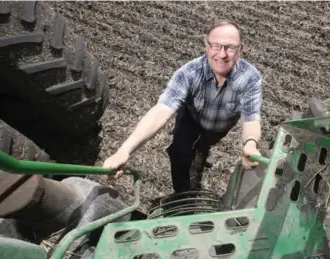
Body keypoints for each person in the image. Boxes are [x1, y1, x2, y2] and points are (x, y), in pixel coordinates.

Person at [102, 19, 263, 193]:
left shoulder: (250, 77)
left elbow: (251, 117)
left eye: (230, 48)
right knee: (179, 154)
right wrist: (125, 150)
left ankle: (202, 150)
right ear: (206, 46)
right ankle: (182, 194)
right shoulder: (188, 73)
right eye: (216, 46)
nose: (222, 54)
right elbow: (162, 110)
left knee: (204, 145)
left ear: (240, 50)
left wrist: (251, 143)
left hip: (219, 128)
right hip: (191, 120)